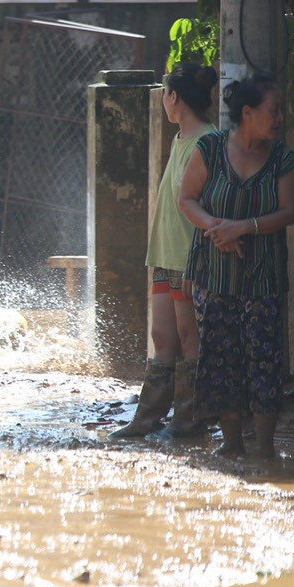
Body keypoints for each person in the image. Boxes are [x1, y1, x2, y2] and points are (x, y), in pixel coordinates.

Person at [179, 73, 294, 459]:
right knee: (220, 359)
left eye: (280, 111)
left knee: (265, 361)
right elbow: (188, 200)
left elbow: (288, 212)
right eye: (273, 111)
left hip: (263, 279)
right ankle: (231, 446)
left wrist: (243, 227)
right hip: (213, 276)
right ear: (247, 113)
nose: (280, 118)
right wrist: (217, 227)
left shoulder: (282, 157)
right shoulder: (210, 149)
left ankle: (264, 450)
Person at [111, 64, 218, 440]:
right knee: (162, 336)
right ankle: (149, 418)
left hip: (188, 256)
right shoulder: (180, 138)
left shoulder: (209, 141)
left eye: (164, 95)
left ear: (175, 98)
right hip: (165, 253)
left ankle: (187, 420)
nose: (163, 103)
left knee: (190, 337)